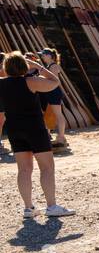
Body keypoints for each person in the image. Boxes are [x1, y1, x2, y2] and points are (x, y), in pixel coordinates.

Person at [2, 52, 73, 220]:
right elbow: (54, 82)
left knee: (24, 169)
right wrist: (39, 67)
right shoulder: (30, 81)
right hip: (34, 128)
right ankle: (51, 206)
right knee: (47, 168)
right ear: (23, 66)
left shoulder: (1, 84)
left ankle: (28, 208)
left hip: (14, 129)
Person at [35, 49, 69, 150]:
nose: (42, 57)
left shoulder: (54, 66)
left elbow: (53, 79)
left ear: (50, 56)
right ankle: (59, 137)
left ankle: (61, 137)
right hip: (49, 92)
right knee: (52, 115)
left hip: (53, 92)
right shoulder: (48, 66)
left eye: (44, 55)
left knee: (58, 114)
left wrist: (39, 71)